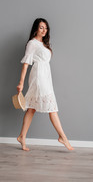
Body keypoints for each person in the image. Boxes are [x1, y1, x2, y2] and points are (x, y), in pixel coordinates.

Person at [16, 18, 74, 151]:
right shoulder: (32, 43)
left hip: (46, 76)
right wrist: (21, 82)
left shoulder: (44, 45)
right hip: (38, 77)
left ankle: (22, 136)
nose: (44, 30)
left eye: (46, 28)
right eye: (41, 27)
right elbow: (26, 64)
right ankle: (63, 137)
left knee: (32, 108)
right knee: (52, 107)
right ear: (36, 28)